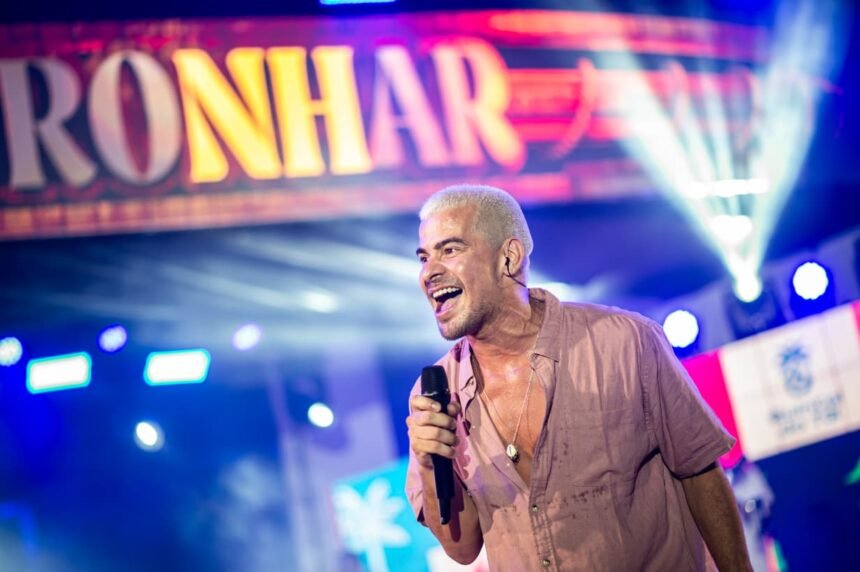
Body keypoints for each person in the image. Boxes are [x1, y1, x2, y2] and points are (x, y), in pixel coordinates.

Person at [405, 184, 752, 571]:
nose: (429, 272)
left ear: (509, 257)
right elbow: (462, 548)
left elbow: (701, 474)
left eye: (450, 250)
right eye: (424, 257)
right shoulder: (436, 396)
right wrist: (429, 462)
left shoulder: (624, 341)